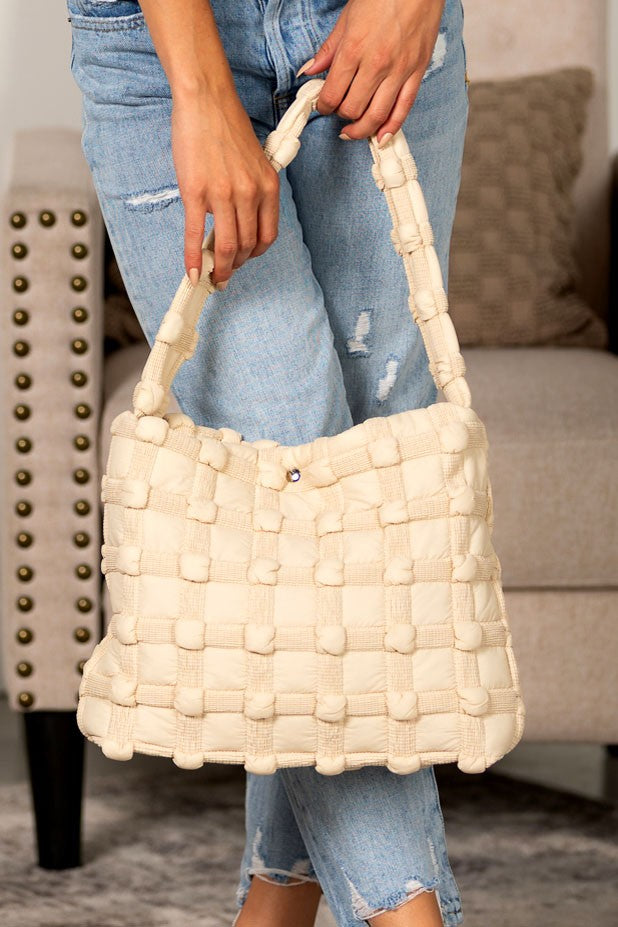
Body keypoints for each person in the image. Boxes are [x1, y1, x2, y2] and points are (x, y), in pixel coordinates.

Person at [66, 1, 469, 924]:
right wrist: (201, 92)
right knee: (309, 534)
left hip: (381, 33)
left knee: (360, 545)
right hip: (161, 41)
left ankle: (275, 907)